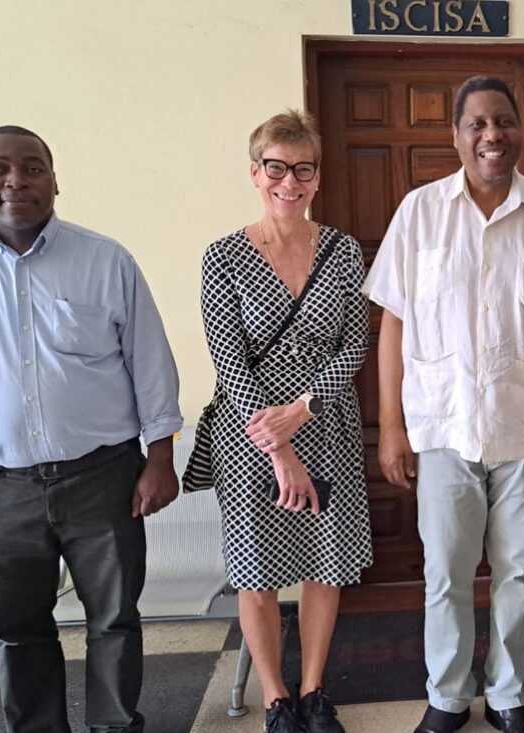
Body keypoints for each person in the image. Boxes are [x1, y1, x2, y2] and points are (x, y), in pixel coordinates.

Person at [0, 126, 182, 733]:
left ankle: (114, 726)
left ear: (55, 181)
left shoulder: (106, 261)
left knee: (114, 619)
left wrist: (159, 458)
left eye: (32, 169)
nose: (15, 182)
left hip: (103, 478)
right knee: (18, 629)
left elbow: (151, 364)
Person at [364, 76, 524, 733]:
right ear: (458, 135)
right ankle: (446, 695)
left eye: (503, 121)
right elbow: (394, 324)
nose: (492, 135)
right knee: (446, 573)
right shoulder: (421, 212)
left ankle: (506, 695)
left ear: (521, 129)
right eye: (477, 124)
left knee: (521, 572)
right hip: (442, 426)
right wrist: (391, 429)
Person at [199, 109, 371, 733]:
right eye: (276, 168)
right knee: (257, 567)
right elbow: (230, 361)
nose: (289, 182)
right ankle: (276, 698)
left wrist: (303, 409)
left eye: (302, 170)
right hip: (251, 429)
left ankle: (315, 690)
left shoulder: (344, 250)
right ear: (255, 172)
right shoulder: (223, 257)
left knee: (329, 561)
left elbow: (356, 344)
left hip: (326, 424)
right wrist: (280, 448)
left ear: (317, 177)